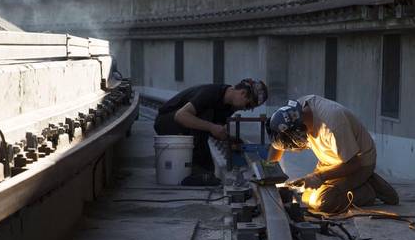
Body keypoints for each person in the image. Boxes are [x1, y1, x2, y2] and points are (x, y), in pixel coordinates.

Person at [267, 95, 399, 213]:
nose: (292, 148)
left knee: (323, 202)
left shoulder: (332, 126)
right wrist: (269, 172)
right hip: (332, 160)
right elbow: (278, 144)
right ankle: (360, 181)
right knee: (306, 196)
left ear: (298, 130)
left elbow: (354, 163)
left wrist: (319, 176)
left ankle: (370, 189)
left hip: (357, 163)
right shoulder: (297, 111)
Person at [154, 79, 268, 182]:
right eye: (248, 105)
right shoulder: (211, 93)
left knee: (209, 171)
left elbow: (211, 129)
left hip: (184, 128)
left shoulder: (229, 107)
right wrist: (212, 127)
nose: (246, 109)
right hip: (166, 121)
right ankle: (193, 169)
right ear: (243, 92)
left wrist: (228, 137)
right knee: (205, 114)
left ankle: (199, 171)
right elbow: (180, 116)